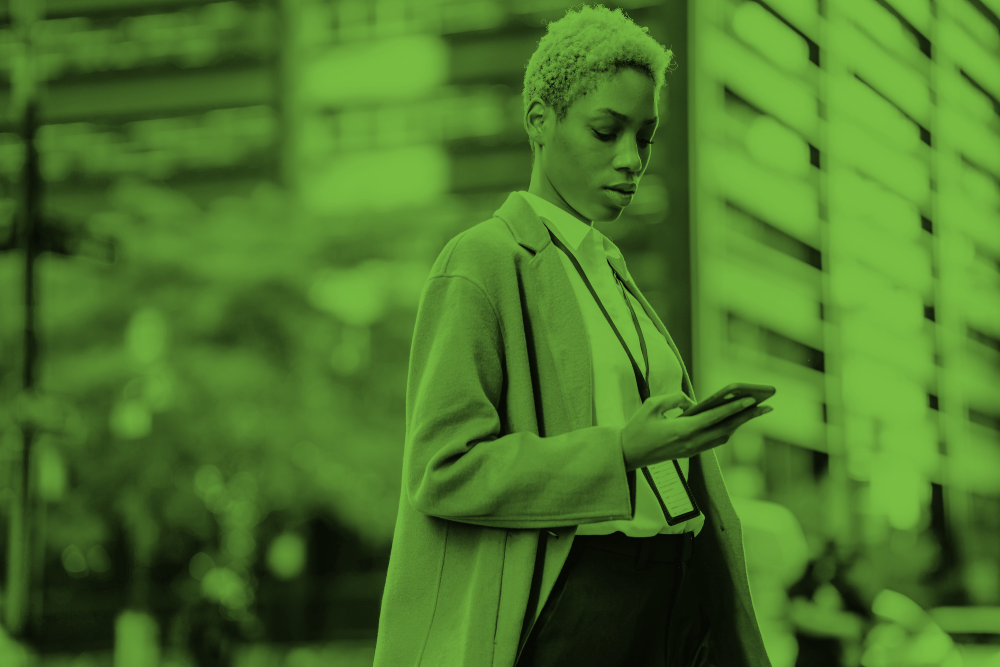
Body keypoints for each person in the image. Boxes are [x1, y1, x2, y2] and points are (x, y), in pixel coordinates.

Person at [374, 4, 773, 666]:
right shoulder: (483, 260)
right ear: (539, 120)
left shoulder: (609, 270)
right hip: (577, 602)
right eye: (605, 130)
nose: (630, 159)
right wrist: (619, 451)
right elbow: (444, 469)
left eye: (644, 136)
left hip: (675, 595)